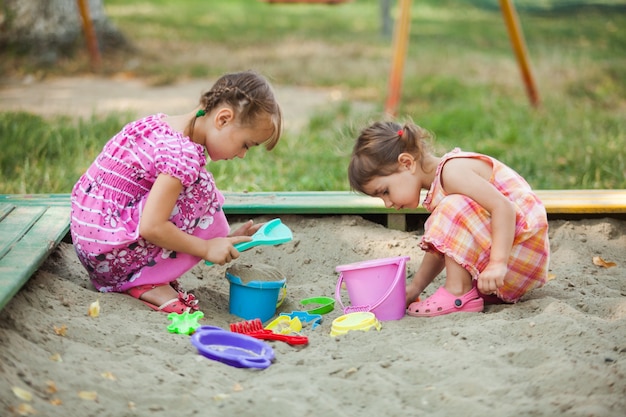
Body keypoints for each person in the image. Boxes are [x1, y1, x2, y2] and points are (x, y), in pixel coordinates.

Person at [70, 70, 283, 314]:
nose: (243, 154)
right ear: (223, 119)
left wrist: (218, 241)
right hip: (109, 256)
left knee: (193, 188)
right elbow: (151, 227)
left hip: (92, 238)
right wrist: (205, 248)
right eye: (246, 144)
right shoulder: (182, 156)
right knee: (199, 190)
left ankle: (143, 272)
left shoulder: (159, 125)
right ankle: (144, 281)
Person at [348, 120, 550, 317]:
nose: (388, 203)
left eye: (385, 191)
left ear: (407, 163)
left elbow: (503, 208)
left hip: (520, 252)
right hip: (509, 260)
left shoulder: (452, 173)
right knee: (448, 213)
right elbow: (446, 244)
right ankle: (464, 289)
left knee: (452, 206)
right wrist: (415, 288)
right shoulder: (443, 185)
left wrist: (498, 263)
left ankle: (457, 290)